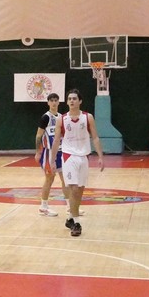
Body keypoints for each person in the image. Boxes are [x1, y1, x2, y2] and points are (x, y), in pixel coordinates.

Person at [49, 88, 104, 237]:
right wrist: (52, 159)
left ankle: (70, 218)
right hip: (68, 156)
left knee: (79, 190)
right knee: (73, 188)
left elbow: (95, 138)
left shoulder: (88, 117)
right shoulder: (62, 119)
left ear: (80, 101)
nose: (72, 101)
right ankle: (77, 223)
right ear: (67, 102)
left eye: (74, 98)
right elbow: (56, 140)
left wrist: (100, 156)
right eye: (69, 99)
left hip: (84, 156)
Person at [34, 93, 69, 216]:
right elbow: (38, 135)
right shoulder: (46, 117)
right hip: (48, 153)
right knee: (50, 179)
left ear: (59, 102)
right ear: (48, 103)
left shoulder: (61, 117)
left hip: (60, 152)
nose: (54, 103)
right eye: (51, 100)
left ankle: (70, 207)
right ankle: (43, 207)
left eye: (56, 100)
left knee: (66, 180)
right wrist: (38, 152)